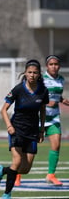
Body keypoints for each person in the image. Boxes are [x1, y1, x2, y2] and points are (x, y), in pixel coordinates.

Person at [0, 59, 49, 199]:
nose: (32, 75)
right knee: (17, 161)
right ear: (25, 73)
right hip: (16, 129)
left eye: (35, 73)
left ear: (39, 74)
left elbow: (43, 110)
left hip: (32, 132)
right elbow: (3, 110)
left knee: (25, 169)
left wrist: (41, 130)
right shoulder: (18, 89)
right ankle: (6, 194)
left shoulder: (43, 91)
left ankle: (3, 170)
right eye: (29, 72)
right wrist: (9, 126)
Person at [15, 55, 69, 186]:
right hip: (37, 118)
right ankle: (17, 174)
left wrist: (62, 100)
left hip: (54, 117)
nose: (54, 66)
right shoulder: (41, 79)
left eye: (56, 64)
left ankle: (51, 175)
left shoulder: (61, 79)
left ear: (59, 66)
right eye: (51, 64)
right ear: (47, 66)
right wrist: (43, 102)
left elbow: (56, 94)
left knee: (56, 145)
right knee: (28, 150)